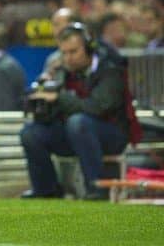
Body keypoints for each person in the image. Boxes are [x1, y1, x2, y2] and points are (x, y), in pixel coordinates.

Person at [20, 22, 130, 200]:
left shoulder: (110, 69)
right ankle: (46, 190)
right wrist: (41, 93)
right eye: (64, 53)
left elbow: (97, 107)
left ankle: (96, 188)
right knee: (31, 133)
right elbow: (53, 110)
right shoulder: (62, 71)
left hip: (112, 133)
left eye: (73, 52)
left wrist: (59, 97)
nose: (68, 58)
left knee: (78, 122)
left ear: (88, 48)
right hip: (75, 133)